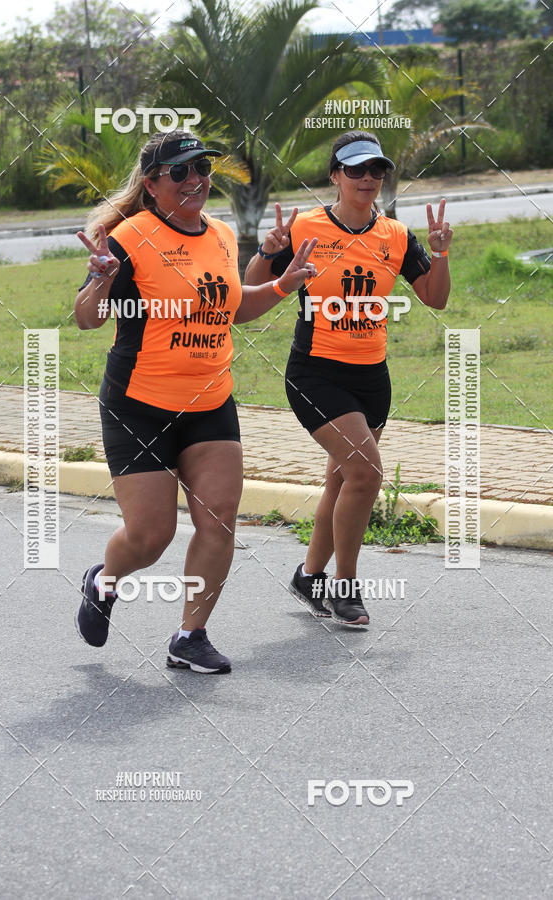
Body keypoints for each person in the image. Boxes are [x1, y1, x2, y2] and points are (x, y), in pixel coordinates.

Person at [74, 130, 317, 672]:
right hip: (139, 406)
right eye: (180, 172)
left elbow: (230, 308)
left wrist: (283, 284)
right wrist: (98, 284)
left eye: (202, 169)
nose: (195, 180)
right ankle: (103, 581)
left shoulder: (224, 236)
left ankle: (190, 635)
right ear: (153, 184)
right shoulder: (129, 236)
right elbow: (89, 318)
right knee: (151, 535)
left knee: (220, 518)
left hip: (210, 403)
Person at [245, 130, 452, 626]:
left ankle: (309, 575)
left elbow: (436, 298)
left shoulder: (396, 236)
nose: (367, 179)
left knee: (342, 481)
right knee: (365, 474)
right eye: (355, 170)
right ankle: (345, 586)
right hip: (315, 373)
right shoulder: (305, 228)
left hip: (371, 378)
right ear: (335, 176)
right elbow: (246, 293)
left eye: (376, 170)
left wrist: (441, 254)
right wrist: (266, 250)